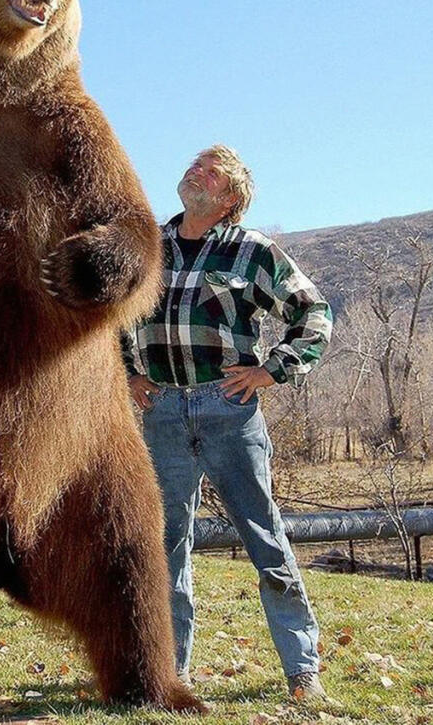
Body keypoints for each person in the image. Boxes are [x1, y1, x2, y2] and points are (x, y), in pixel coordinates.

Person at [120, 144, 333, 700]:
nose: (196, 171)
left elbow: (313, 313)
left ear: (230, 197)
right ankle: (171, 674)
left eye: (210, 171)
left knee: (264, 536)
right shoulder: (149, 246)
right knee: (164, 544)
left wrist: (270, 371)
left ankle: (302, 669)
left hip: (228, 409)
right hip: (161, 409)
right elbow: (110, 316)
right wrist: (128, 375)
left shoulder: (253, 251)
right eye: (194, 164)